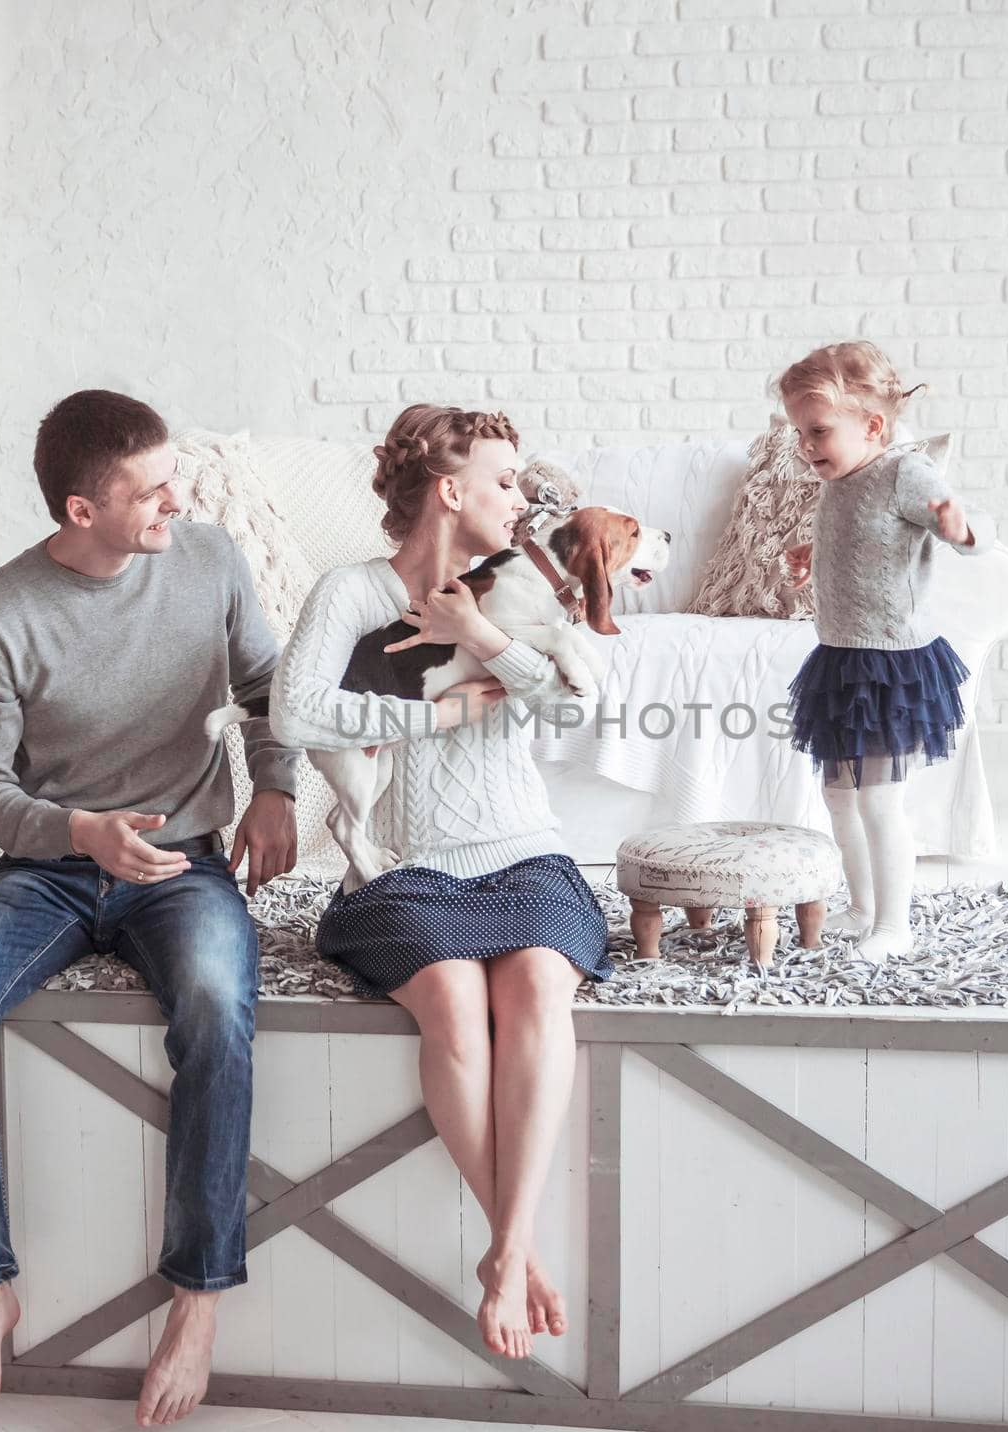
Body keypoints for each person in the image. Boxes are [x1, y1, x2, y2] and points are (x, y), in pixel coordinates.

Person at [0, 389, 299, 1430]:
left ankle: (198, 1299)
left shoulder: (208, 558)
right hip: (49, 870)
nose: (182, 495)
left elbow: (268, 686)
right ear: (83, 509)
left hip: (183, 863)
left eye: (174, 474)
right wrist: (82, 833)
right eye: (153, 487)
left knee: (217, 1007)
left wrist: (276, 787)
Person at [267, 403, 612, 1361]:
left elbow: (578, 709)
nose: (522, 499)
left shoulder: (517, 588)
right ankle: (521, 1249)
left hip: (523, 849)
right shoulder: (352, 592)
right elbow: (295, 715)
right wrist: (442, 715)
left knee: (540, 983)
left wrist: (483, 636)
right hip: (404, 868)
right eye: (506, 482)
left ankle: (505, 1250)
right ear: (451, 491)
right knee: (457, 1007)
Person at [778, 341, 996, 961]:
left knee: (878, 797)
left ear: (873, 426)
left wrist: (962, 529)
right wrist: (810, 556)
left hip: (891, 664)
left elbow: (967, 533)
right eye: (800, 433)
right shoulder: (839, 480)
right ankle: (865, 905)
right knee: (837, 795)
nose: (806, 446)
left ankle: (895, 924)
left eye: (818, 431)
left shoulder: (904, 471)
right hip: (841, 656)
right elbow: (856, 543)